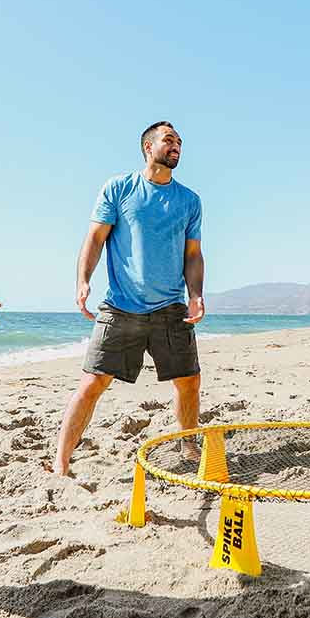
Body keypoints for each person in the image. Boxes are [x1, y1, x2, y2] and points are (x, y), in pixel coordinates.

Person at [52, 121, 204, 475]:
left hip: (171, 308)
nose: (176, 145)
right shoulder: (119, 189)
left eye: (179, 141)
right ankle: (60, 462)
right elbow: (94, 239)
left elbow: (193, 254)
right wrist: (83, 280)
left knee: (189, 381)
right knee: (92, 382)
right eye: (169, 140)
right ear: (148, 148)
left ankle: (188, 444)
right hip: (122, 306)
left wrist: (196, 294)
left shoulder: (190, 201)